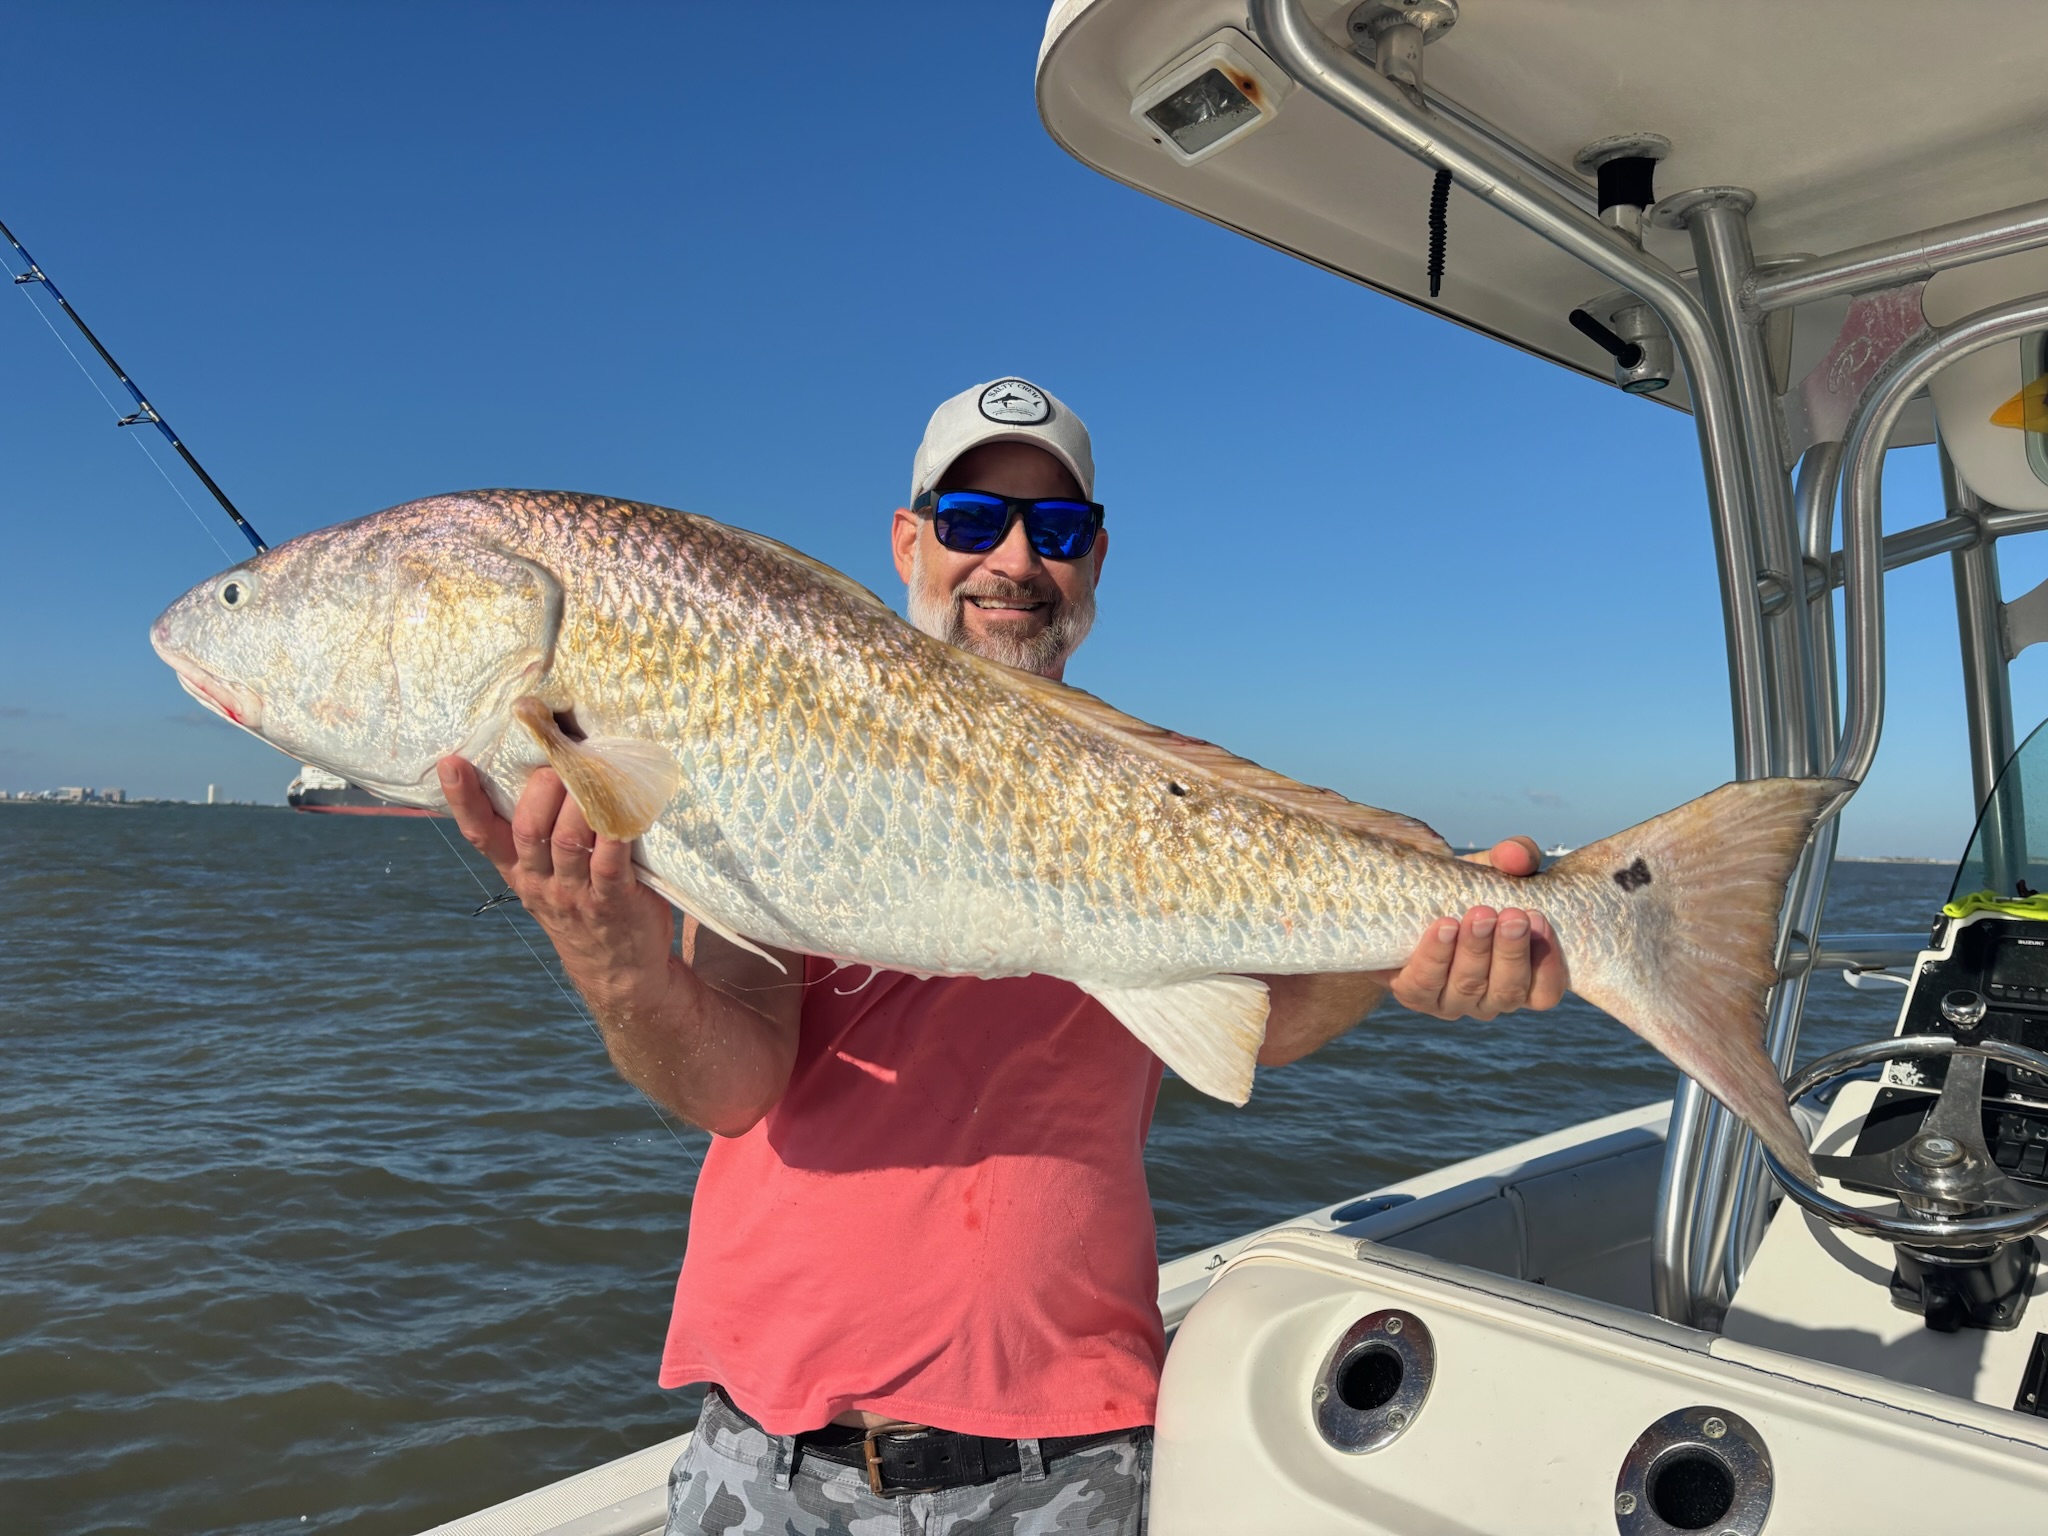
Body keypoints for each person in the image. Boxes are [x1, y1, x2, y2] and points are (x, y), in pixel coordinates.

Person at [439, 377, 1566, 1535]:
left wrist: (1409, 955)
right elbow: (731, 1087)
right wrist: (613, 959)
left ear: (1094, 561)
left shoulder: (1159, 786)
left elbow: (1255, 1026)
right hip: (770, 1452)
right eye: (973, 521)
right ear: (907, 540)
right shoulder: (767, 749)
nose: (1013, 560)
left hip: (1062, 1457)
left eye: (1057, 531)